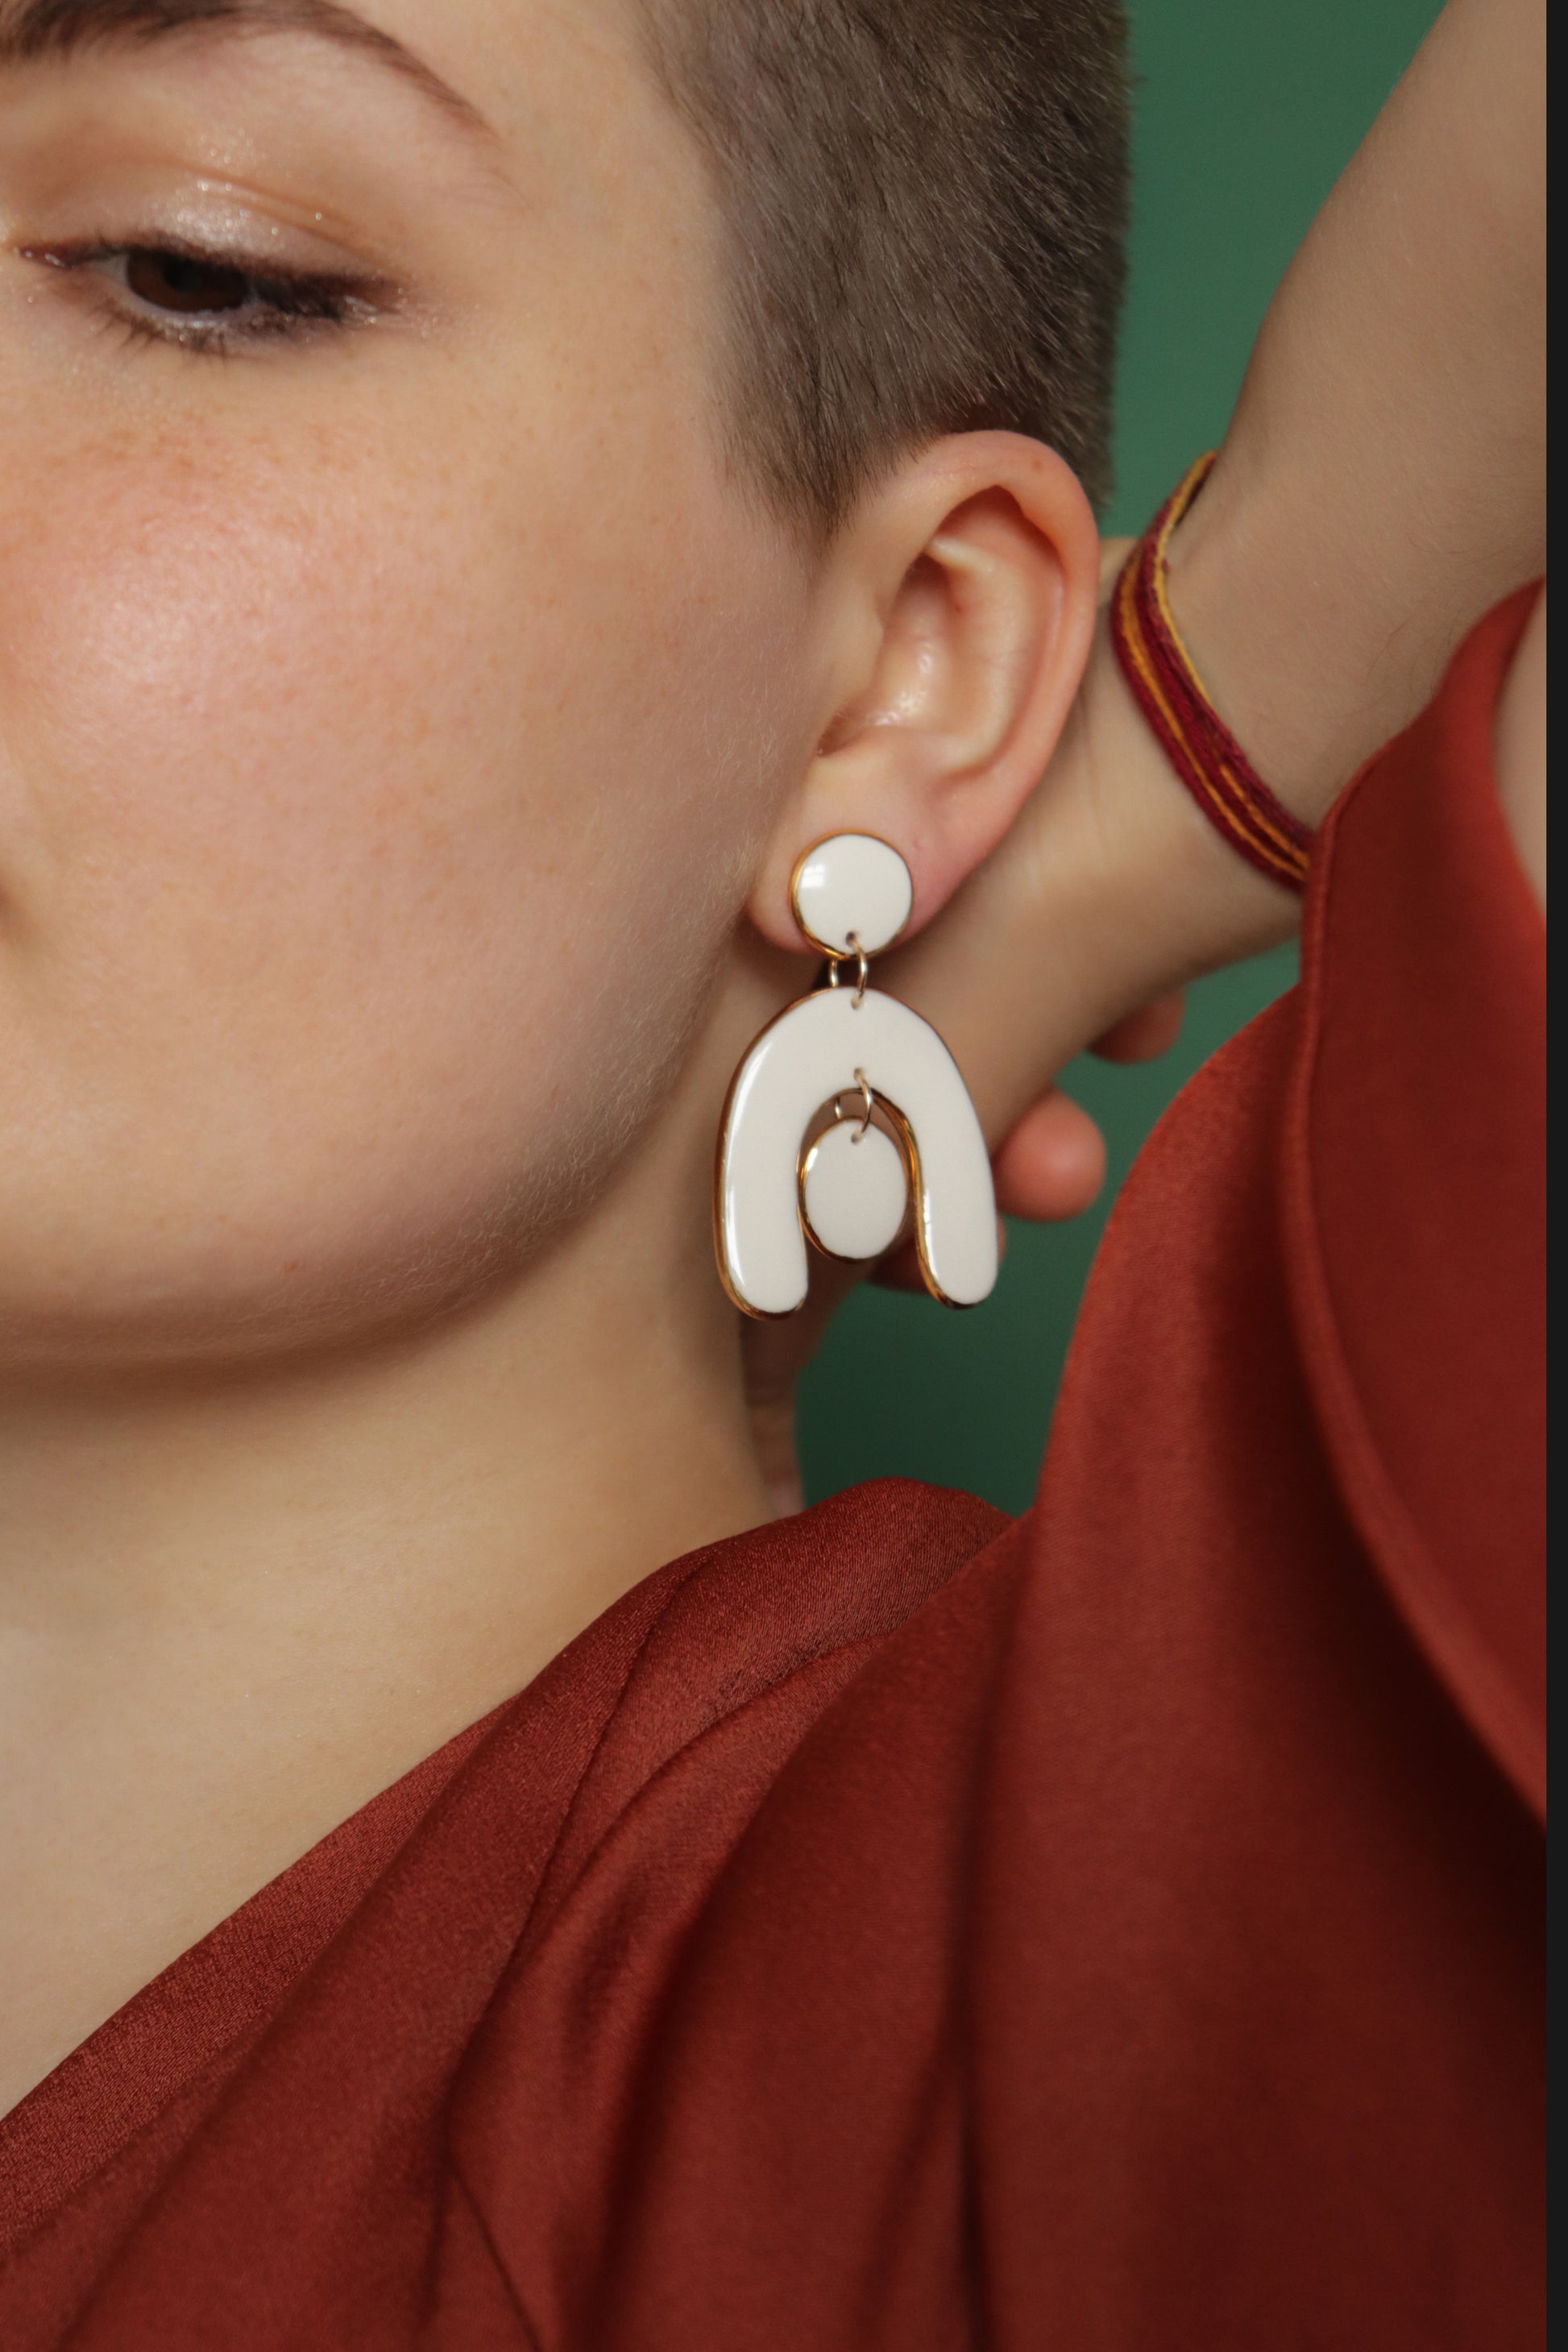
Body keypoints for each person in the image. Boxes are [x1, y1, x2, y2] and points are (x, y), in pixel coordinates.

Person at [0, 0, 1543, 2344]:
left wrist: (1149, 768)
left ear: (911, 660)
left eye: (194, 273)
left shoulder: (1050, 1967)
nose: (151, 303)